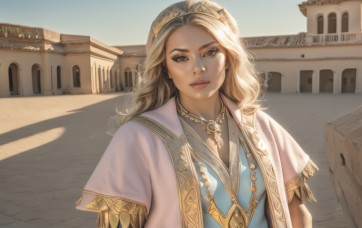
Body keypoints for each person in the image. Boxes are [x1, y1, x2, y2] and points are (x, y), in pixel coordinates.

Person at [75, 0, 318, 227]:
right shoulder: (137, 138)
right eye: (181, 57)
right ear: (166, 68)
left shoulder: (261, 125)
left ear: (228, 57)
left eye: (210, 52)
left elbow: (297, 211)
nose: (198, 68)